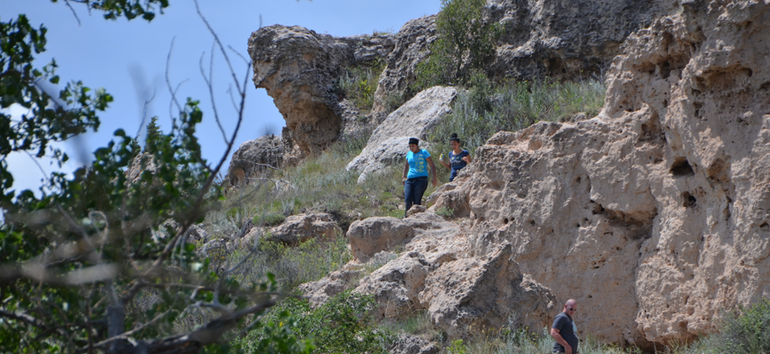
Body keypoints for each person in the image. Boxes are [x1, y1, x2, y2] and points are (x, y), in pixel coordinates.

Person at [402, 137, 438, 217]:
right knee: (407, 198)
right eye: (410, 146)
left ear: (417, 146)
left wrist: (434, 177)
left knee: (416, 200)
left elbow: (432, 165)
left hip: (421, 179)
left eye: (413, 146)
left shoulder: (424, 153)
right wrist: (403, 176)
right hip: (410, 179)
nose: (411, 148)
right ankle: (407, 216)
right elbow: (406, 166)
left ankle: (416, 217)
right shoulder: (409, 154)